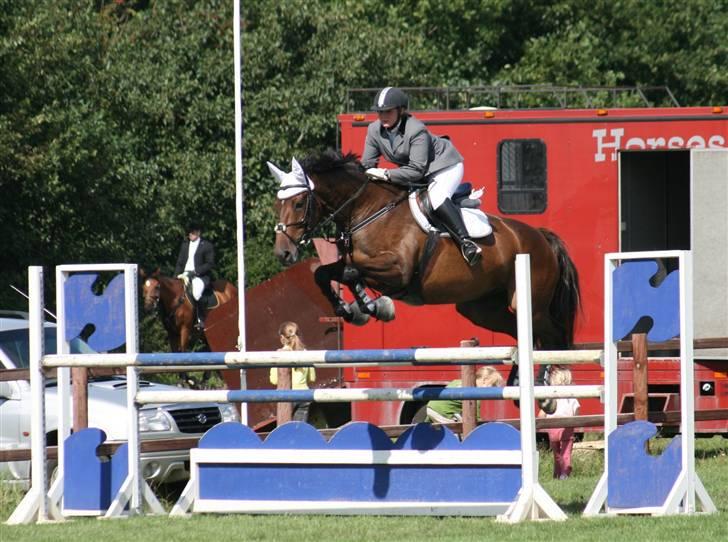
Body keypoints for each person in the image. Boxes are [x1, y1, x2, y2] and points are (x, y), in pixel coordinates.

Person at [361, 86, 482, 266]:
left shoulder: (416, 129)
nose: (383, 116)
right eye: (379, 112)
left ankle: (466, 243)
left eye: (388, 111)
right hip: (418, 172)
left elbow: (416, 170)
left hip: (445, 166)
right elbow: (367, 164)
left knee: (436, 198)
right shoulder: (374, 130)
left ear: (400, 110)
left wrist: (386, 173)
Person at [538, 366, 580, 480]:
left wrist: (540, 423)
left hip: (552, 428)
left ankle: (557, 474)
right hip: (567, 427)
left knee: (556, 454)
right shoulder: (571, 399)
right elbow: (576, 413)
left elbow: (542, 414)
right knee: (565, 453)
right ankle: (565, 473)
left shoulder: (551, 399)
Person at [269, 321, 316, 422]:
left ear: (282, 338)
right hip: (304, 395)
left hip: (286, 395)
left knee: (285, 428)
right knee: (299, 428)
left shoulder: (279, 354)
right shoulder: (305, 353)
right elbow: (312, 378)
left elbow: (274, 380)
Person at [425, 366, 504, 423]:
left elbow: (440, 402)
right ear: (484, 380)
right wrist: (481, 426)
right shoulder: (475, 393)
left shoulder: (458, 381)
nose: (493, 389)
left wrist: (426, 421)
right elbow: (475, 417)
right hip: (443, 412)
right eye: (493, 385)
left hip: (430, 407)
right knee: (461, 427)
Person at [174, 221, 215, 329]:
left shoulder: (206, 246)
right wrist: (175, 277)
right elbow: (180, 263)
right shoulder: (185, 245)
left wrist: (196, 271)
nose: (190, 235)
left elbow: (210, 263)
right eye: (189, 233)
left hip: (199, 276)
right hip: (184, 274)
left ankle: (201, 319)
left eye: (192, 233)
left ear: (198, 233)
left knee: (196, 293)